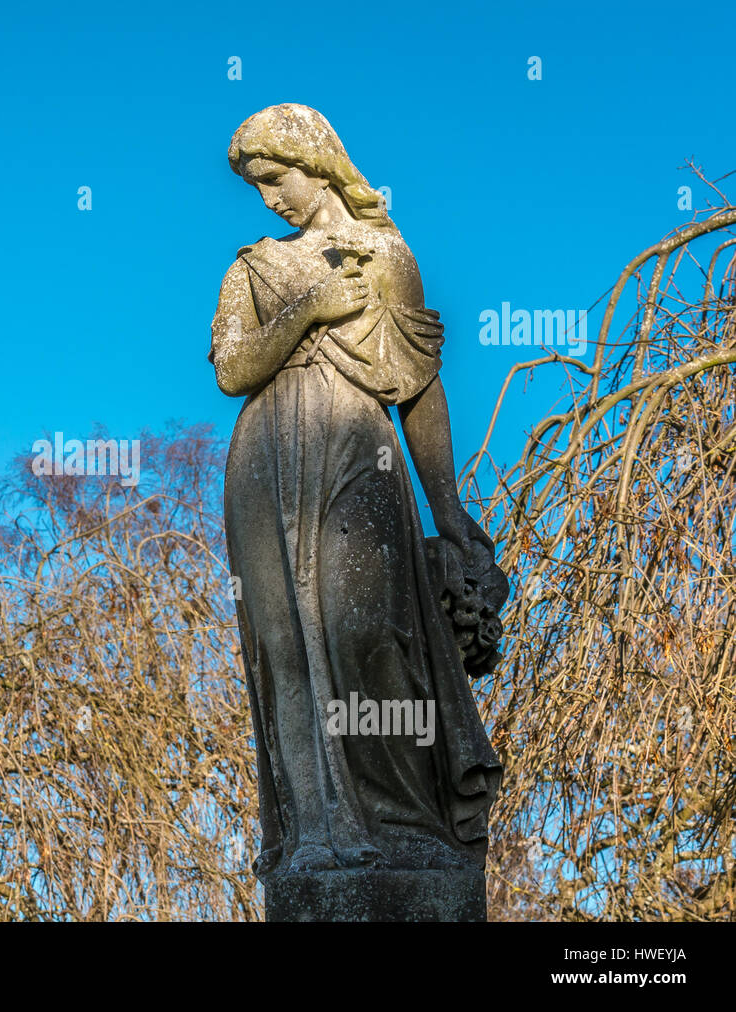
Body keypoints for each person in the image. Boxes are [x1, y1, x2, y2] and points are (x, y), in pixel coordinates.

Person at [210, 104, 502, 877]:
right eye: (256, 186)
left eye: (276, 178)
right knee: (286, 647)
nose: (270, 198)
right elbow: (234, 369)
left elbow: (418, 387)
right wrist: (310, 310)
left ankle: (407, 823)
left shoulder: (383, 252)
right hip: (268, 455)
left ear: (318, 162)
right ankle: (315, 832)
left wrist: (447, 506)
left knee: (365, 632)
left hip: (357, 450)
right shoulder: (252, 266)